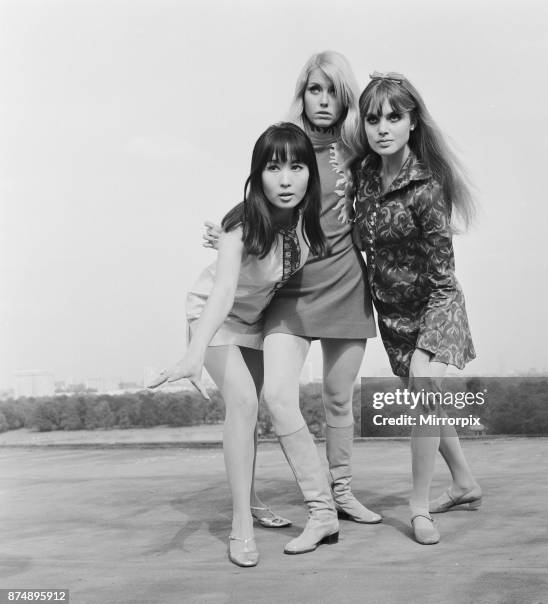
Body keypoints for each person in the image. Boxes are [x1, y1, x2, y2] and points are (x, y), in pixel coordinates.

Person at [204, 51, 381, 526]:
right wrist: (228, 232)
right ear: (302, 93)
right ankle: (318, 500)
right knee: (279, 395)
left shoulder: (358, 152)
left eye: (334, 91)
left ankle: (342, 492)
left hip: (346, 287)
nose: (323, 101)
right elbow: (262, 194)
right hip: (291, 292)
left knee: (339, 399)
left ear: (346, 99)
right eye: (314, 89)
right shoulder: (290, 144)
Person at [149, 123, 338, 567]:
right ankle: (240, 525)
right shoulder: (240, 222)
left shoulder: (307, 228)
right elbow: (224, 291)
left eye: (296, 167)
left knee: (248, 416)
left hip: (254, 323)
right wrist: (195, 352)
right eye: (273, 169)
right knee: (244, 405)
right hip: (213, 320)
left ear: (311, 173)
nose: (286, 179)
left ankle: (251, 502)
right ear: (258, 176)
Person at [350, 72, 482, 545]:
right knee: (430, 405)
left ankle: (418, 507)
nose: (382, 127)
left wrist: (433, 332)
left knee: (424, 398)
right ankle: (465, 483)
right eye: (372, 119)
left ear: (412, 123)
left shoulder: (427, 186)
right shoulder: (362, 176)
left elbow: (444, 277)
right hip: (392, 315)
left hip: (435, 306)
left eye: (393, 117)